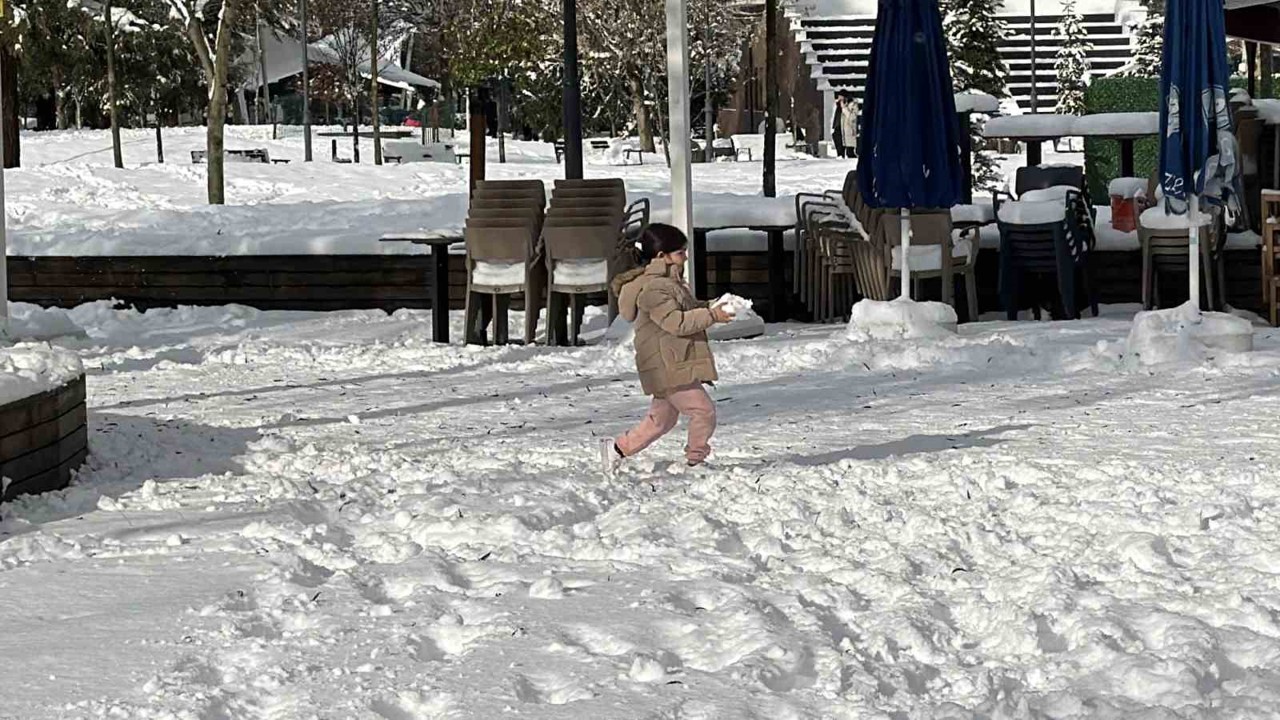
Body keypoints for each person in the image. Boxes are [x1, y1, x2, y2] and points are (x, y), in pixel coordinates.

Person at [603, 224, 733, 472]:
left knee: (661, 421)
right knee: (703, 411)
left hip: (669, 361)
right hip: (667, 364)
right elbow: (676, 323)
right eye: (680, 252)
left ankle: (617, 449)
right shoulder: (654, 288)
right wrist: (712, 315)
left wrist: (713, 306)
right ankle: (695, 460)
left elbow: (687, 310)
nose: (685, 256)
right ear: (661, 256)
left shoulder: (668, 283)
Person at [841, 93, 859, 159]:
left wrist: (844, 109)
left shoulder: (853, 105)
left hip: (850, 129)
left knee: (850, 150)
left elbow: (852, 117)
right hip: (846, 130)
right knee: (848, 149)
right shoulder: (845, 105)